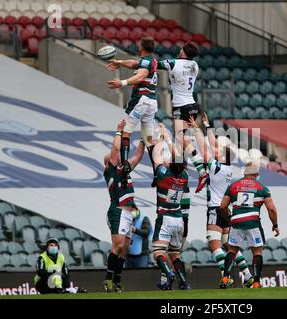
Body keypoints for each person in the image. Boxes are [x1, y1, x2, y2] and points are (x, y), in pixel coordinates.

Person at [188, 114, 254, 288]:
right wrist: (207, 126)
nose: (215, 151)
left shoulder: (216, 168)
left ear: (221, 157)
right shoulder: (229, 169)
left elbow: (203, 147)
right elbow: (213, 145)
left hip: (215, 209)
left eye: (218, 153)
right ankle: (247, 275)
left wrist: (196, 129)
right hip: (227, 211)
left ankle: (225, 276)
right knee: (228, 245)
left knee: (214, 245)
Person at [156, 42, 208, 193]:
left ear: (183, 51)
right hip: (192, 105)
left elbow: (156, 65)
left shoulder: (174, 63)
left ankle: (201, 171)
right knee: (182, 143)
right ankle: (181, 174)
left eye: (181, 49)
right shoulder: (195, 65)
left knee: (181, 140)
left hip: (181, 107)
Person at [106, 36, 158, 187]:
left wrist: (121, 82)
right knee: (149, 140)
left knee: (125, 132)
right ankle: (157, 173)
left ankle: (123, 170)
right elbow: (134, 64)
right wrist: (120, 62)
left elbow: (141, 75)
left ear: (141, 46)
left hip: (141, 100)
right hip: (152, 102)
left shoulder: (146, 62)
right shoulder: (150, 60)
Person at [219, 161, 280, 289]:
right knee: (257, 252)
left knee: (232, 250)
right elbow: (272, 209)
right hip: (253, 223)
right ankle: (256, 282)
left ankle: (225, 278)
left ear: (244, 173)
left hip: (236, 222)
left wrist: (229, 217)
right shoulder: (262, 188)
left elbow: (223, 206)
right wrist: (275, 225)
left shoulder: (233, 186)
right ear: (256, 174)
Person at [103, 119, 145, 292]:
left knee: (124, 250)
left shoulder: (124, 169)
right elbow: (115, 150)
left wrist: (145, 138)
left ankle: (117, 281)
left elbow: (138, 156)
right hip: (118, 210)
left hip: (128, 213)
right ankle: (108, 279)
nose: (118, 155)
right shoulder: (110, 170)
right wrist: (119, 131)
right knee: (118, 246)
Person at [151, 124, 190, 290]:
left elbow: (156, 155)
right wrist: (168, 138)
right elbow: (178, 159)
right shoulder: (184, 176)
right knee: (175, 254)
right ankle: (183, 281)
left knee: (158, 252)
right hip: (178, 219)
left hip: (165, 217)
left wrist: (160, 138)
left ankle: (168, 273)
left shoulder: (162, 175)